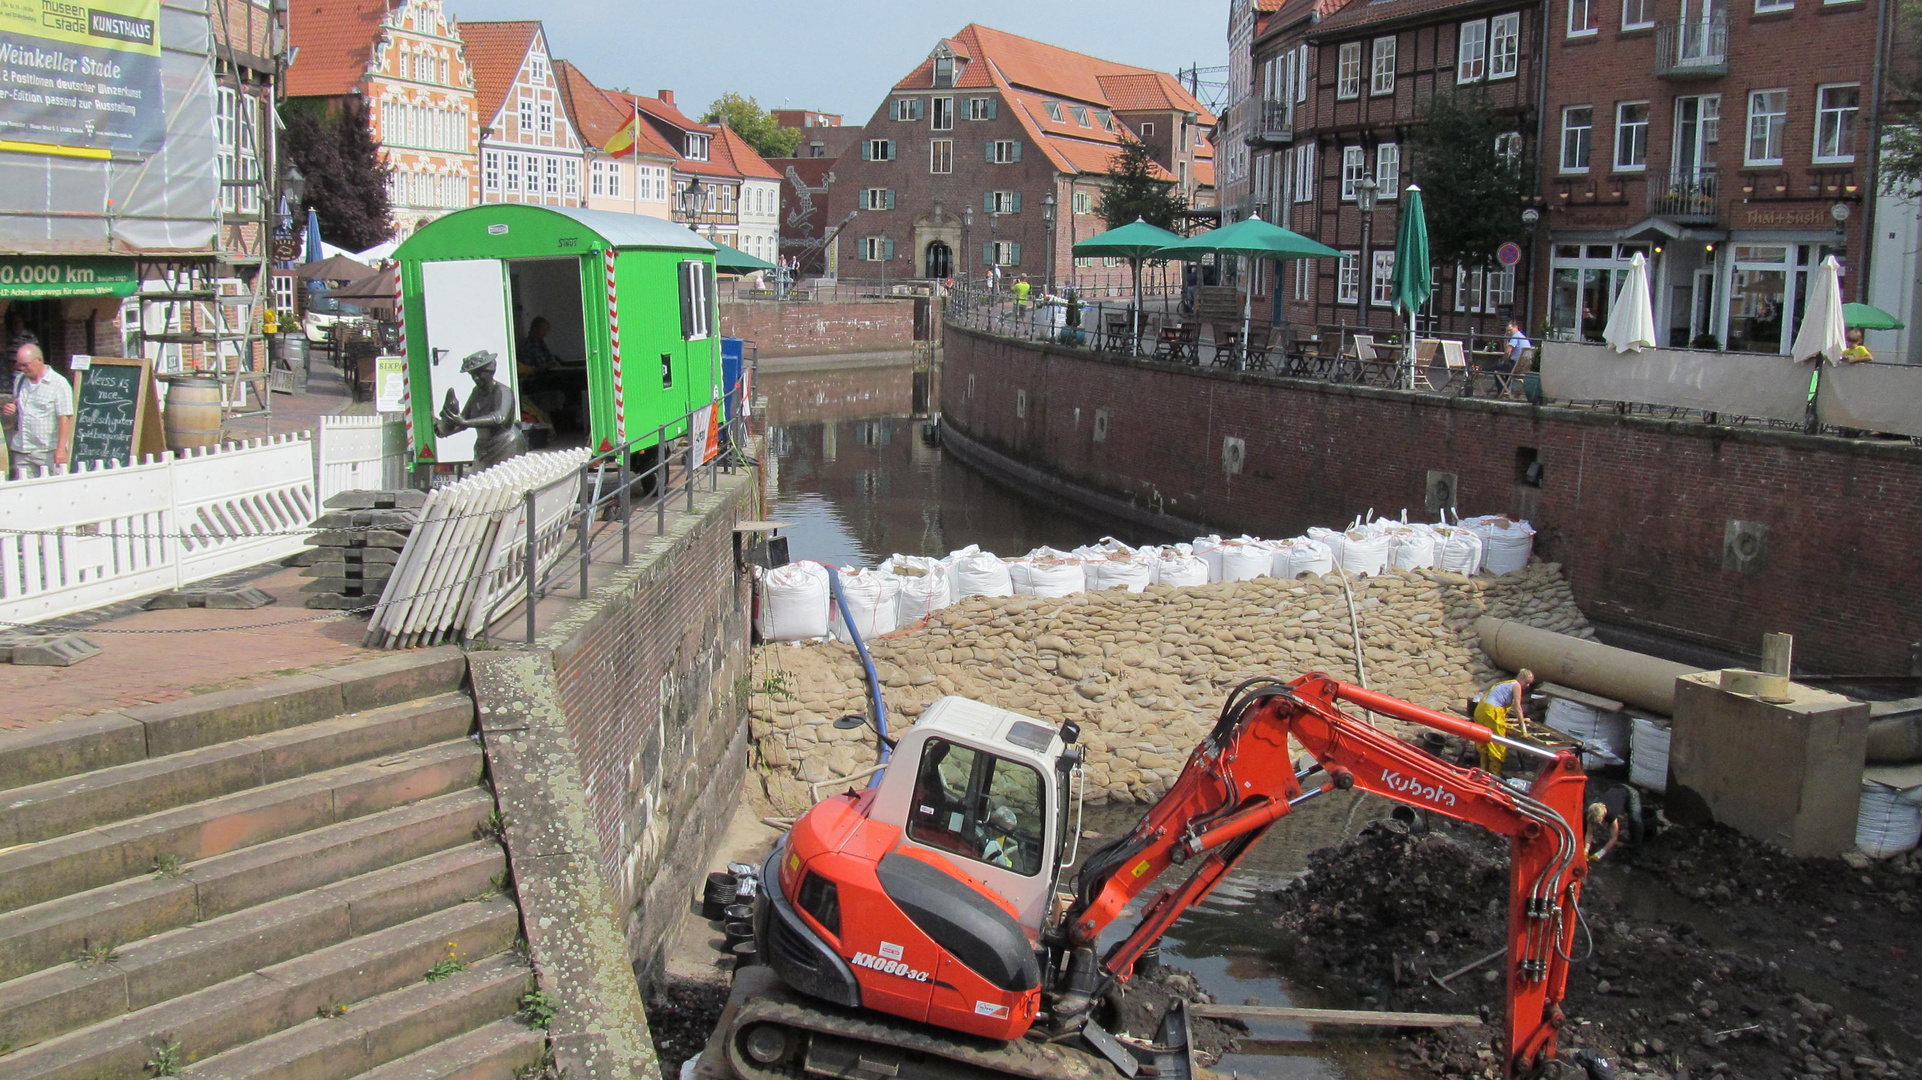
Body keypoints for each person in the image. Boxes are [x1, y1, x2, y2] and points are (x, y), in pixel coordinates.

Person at [434, 350, 527, 471]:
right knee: (482, 480)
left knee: (503, 480)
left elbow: (499, 417)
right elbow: (464, 419)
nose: (476, 378)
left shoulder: (502, 391)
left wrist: (465, 422)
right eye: (472, 375)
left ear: (490, 371)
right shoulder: (476, 392)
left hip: (506, 444)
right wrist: (445, 429)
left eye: (479, 374)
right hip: (484, 446)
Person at [4, 343, 74, 478]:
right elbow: (20, 405)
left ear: (39, 360)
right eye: (19, 365)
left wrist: (61, 449)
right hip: (23, 448)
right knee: (24, 492)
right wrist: (12, 408)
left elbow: (65, 418)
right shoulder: (20, 380)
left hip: (47, 450)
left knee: (51, 491)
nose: (22, 369)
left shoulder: (59, 383)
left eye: (25, 365)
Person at [1472, 668, 1534, 776]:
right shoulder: (1516, 685)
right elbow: (1517, 707)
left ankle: (1482, 772)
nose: (1527, 686)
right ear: (1521, 678)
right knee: (1497, 744)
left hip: (1481, 710)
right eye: (1527, 683)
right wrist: (1523, 728)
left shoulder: (1506, 684)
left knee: (1483, 741)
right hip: (1491, 713)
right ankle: (1494, 777)